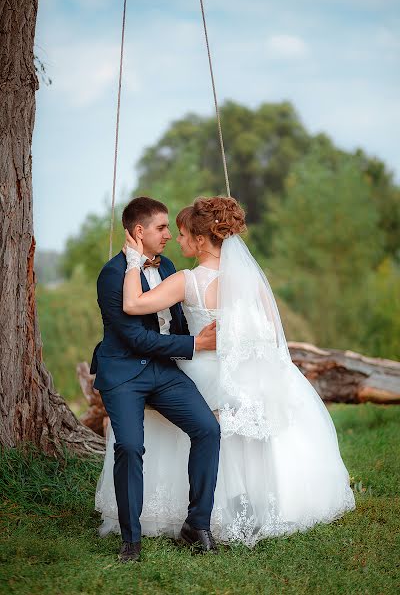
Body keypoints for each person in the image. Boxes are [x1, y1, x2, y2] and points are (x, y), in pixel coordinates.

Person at [96, 195, 355, 549]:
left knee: (204, 425)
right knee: (231, 429)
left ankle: (199, 517)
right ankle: (245, 506)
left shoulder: (185, 277)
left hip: (203, 365)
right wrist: (260, 364)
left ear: (201, 240)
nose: (176, 238)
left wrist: (133, 266)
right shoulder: (250, 280)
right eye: (166, 229)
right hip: (245, 367)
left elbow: (138, 305)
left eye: (183, 233)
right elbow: (268, 330)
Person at [92, 197, 221, 562]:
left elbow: (175, 320)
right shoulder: (112, 275)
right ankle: (131, 540)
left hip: (164, 371)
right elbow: (135, 337)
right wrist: (195, 344)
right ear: (139, 232)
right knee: (130, 447)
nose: (168, 235)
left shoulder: (168, 268)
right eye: (162, 228)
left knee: (208, 430)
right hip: (123, 373)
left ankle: (196, 525)